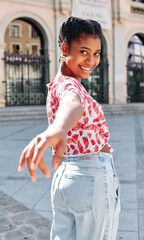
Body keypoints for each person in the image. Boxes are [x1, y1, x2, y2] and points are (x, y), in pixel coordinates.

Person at [18, 16, 121, 240]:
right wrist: (59, 128)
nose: (91, 60)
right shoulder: (68, 86)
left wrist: (59, 128)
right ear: (65, 48)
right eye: (84, 51)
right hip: (90, 176)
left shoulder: (59, 82)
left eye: (96, 53)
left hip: (67, 177)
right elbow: (72, 103)